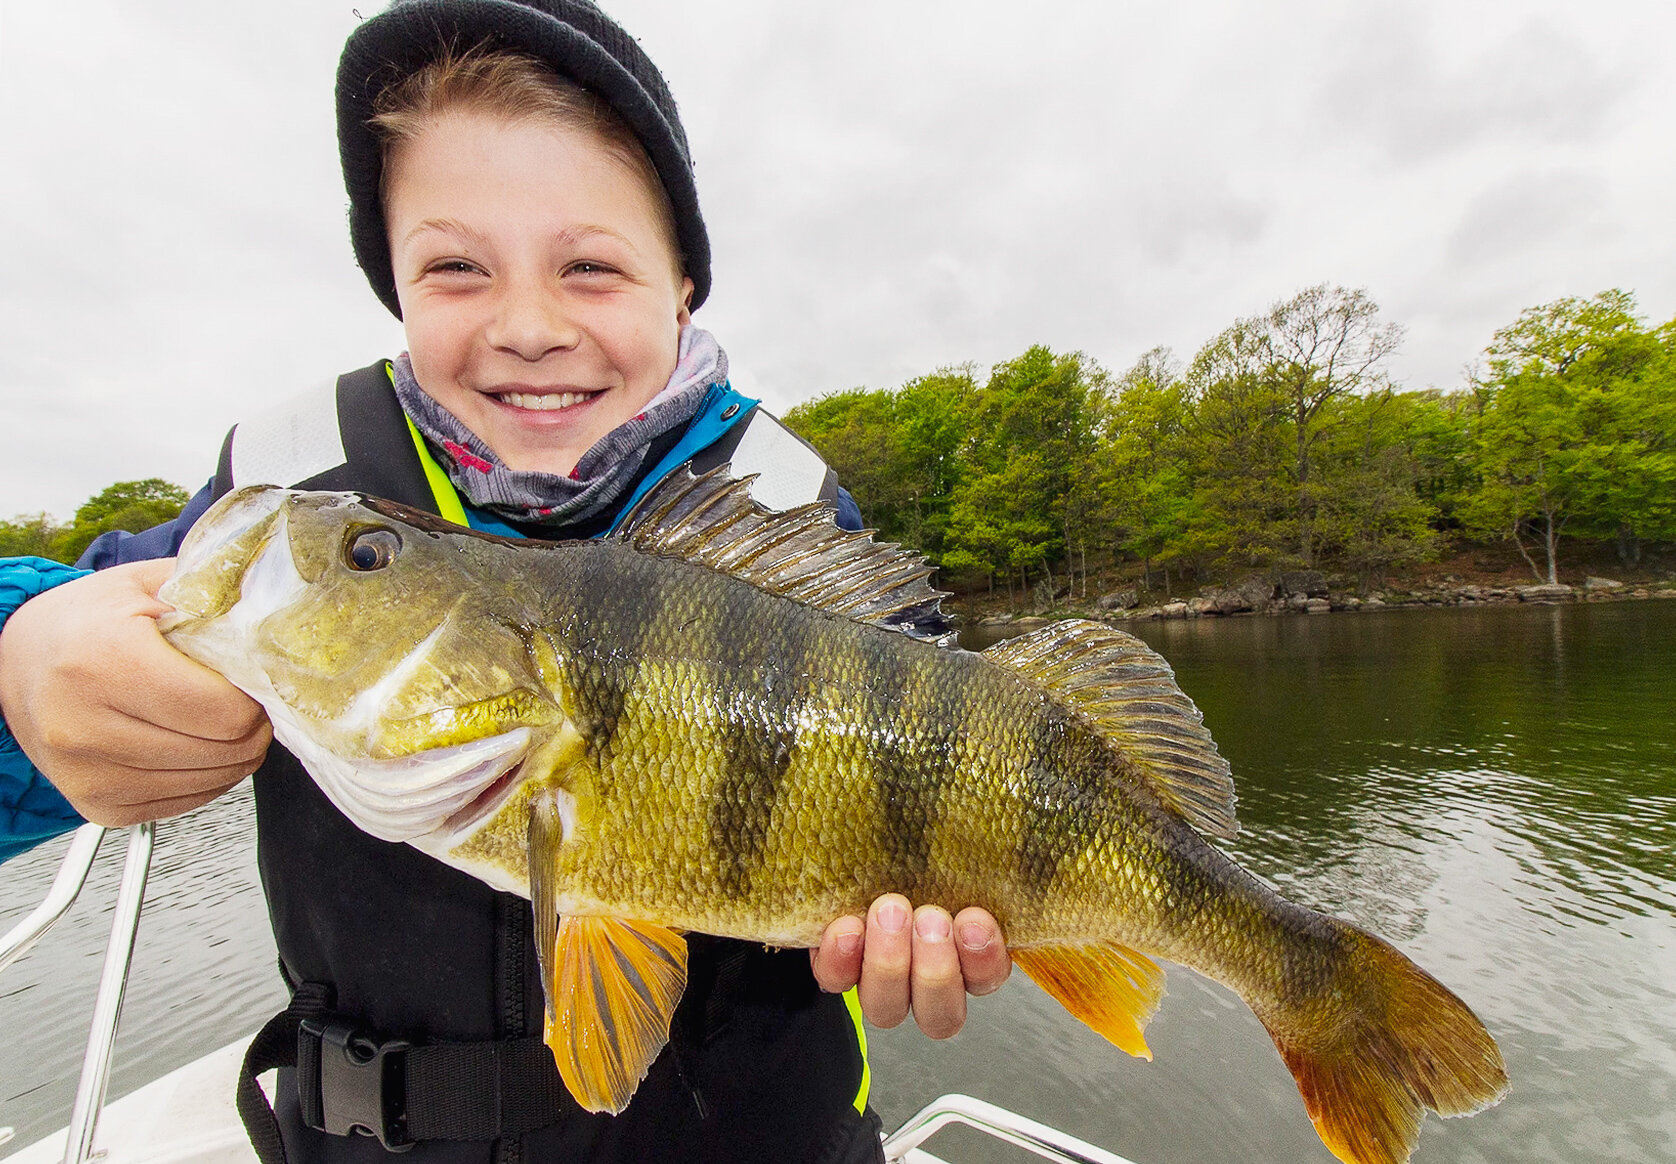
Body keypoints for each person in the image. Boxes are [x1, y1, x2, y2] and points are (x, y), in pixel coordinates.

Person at [0, 2, 1010, 1160]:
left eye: (589, 266)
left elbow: (954, 719)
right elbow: (74, 663)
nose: (528, 326)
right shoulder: (290, 512)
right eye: (454, 267)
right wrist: (23, 656)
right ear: (393, 281)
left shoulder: (783, 511)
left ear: (683, 284)